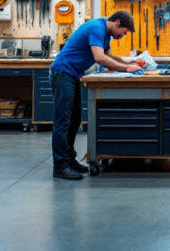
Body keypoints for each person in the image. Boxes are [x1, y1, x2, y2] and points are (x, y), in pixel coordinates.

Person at [49, 10, 140, 180]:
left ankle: (69, 160)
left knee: (74, 120)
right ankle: (60, 167)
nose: (123, 36)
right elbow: (99, 58)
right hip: (62, 73)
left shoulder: (105, 30)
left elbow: (108, 55)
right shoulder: (96, 28)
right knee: (63, 121)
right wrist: (126, 69)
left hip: (71, 74)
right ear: (117, 23)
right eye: (124, 32)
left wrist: (128, 62)